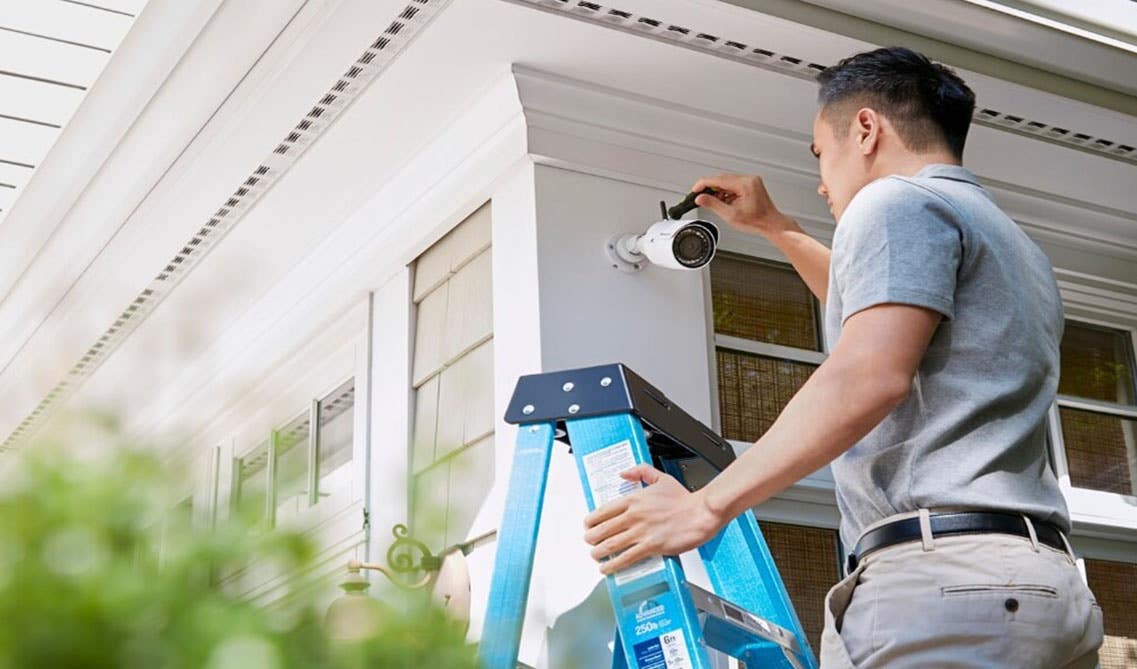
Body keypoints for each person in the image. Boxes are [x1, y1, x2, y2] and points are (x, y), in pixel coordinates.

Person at [582, 47, 1103, 667]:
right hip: (1045, 587)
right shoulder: (1016, 248)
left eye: (819, 154)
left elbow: (868, 372)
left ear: (866, 129)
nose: (823, 181)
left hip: (947, 588)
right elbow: (884, 312)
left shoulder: (893, 203)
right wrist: (776, 227)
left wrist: (705, 505)